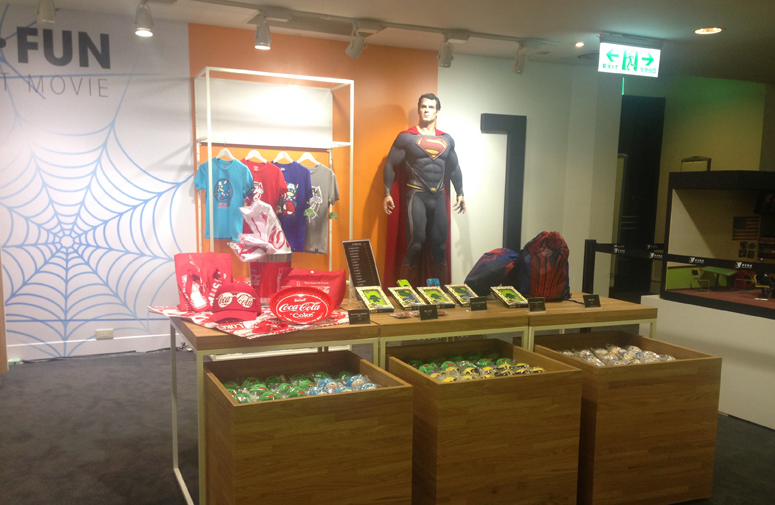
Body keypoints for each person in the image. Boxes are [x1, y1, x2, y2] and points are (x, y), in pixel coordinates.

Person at [382, 93, 465, 287]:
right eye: (423, 106)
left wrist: (460, 193)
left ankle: (440, 293)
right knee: (415, 244)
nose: (427, 110)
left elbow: (454, 168)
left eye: (431, 107)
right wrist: (387, 193)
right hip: (416, 195)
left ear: (437, 111)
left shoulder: (447, 140)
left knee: (439, 246)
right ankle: (403, 293)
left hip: (438, 197)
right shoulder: (406, 138)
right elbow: (390, 164)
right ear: (419, 110)